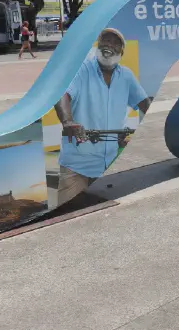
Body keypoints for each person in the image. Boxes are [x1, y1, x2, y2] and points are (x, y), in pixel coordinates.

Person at [53, 28, 152, 207]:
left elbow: (145, 104)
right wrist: (67, 121)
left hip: (109, 167)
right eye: (105, 40)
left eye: (115, 43)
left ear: (121, 52)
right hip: (77, 166)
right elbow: (62, 94)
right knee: (67, 216)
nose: (109, 45)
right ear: (98, 45)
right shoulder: (82, 69)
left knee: (102, 218)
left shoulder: (126, 76)